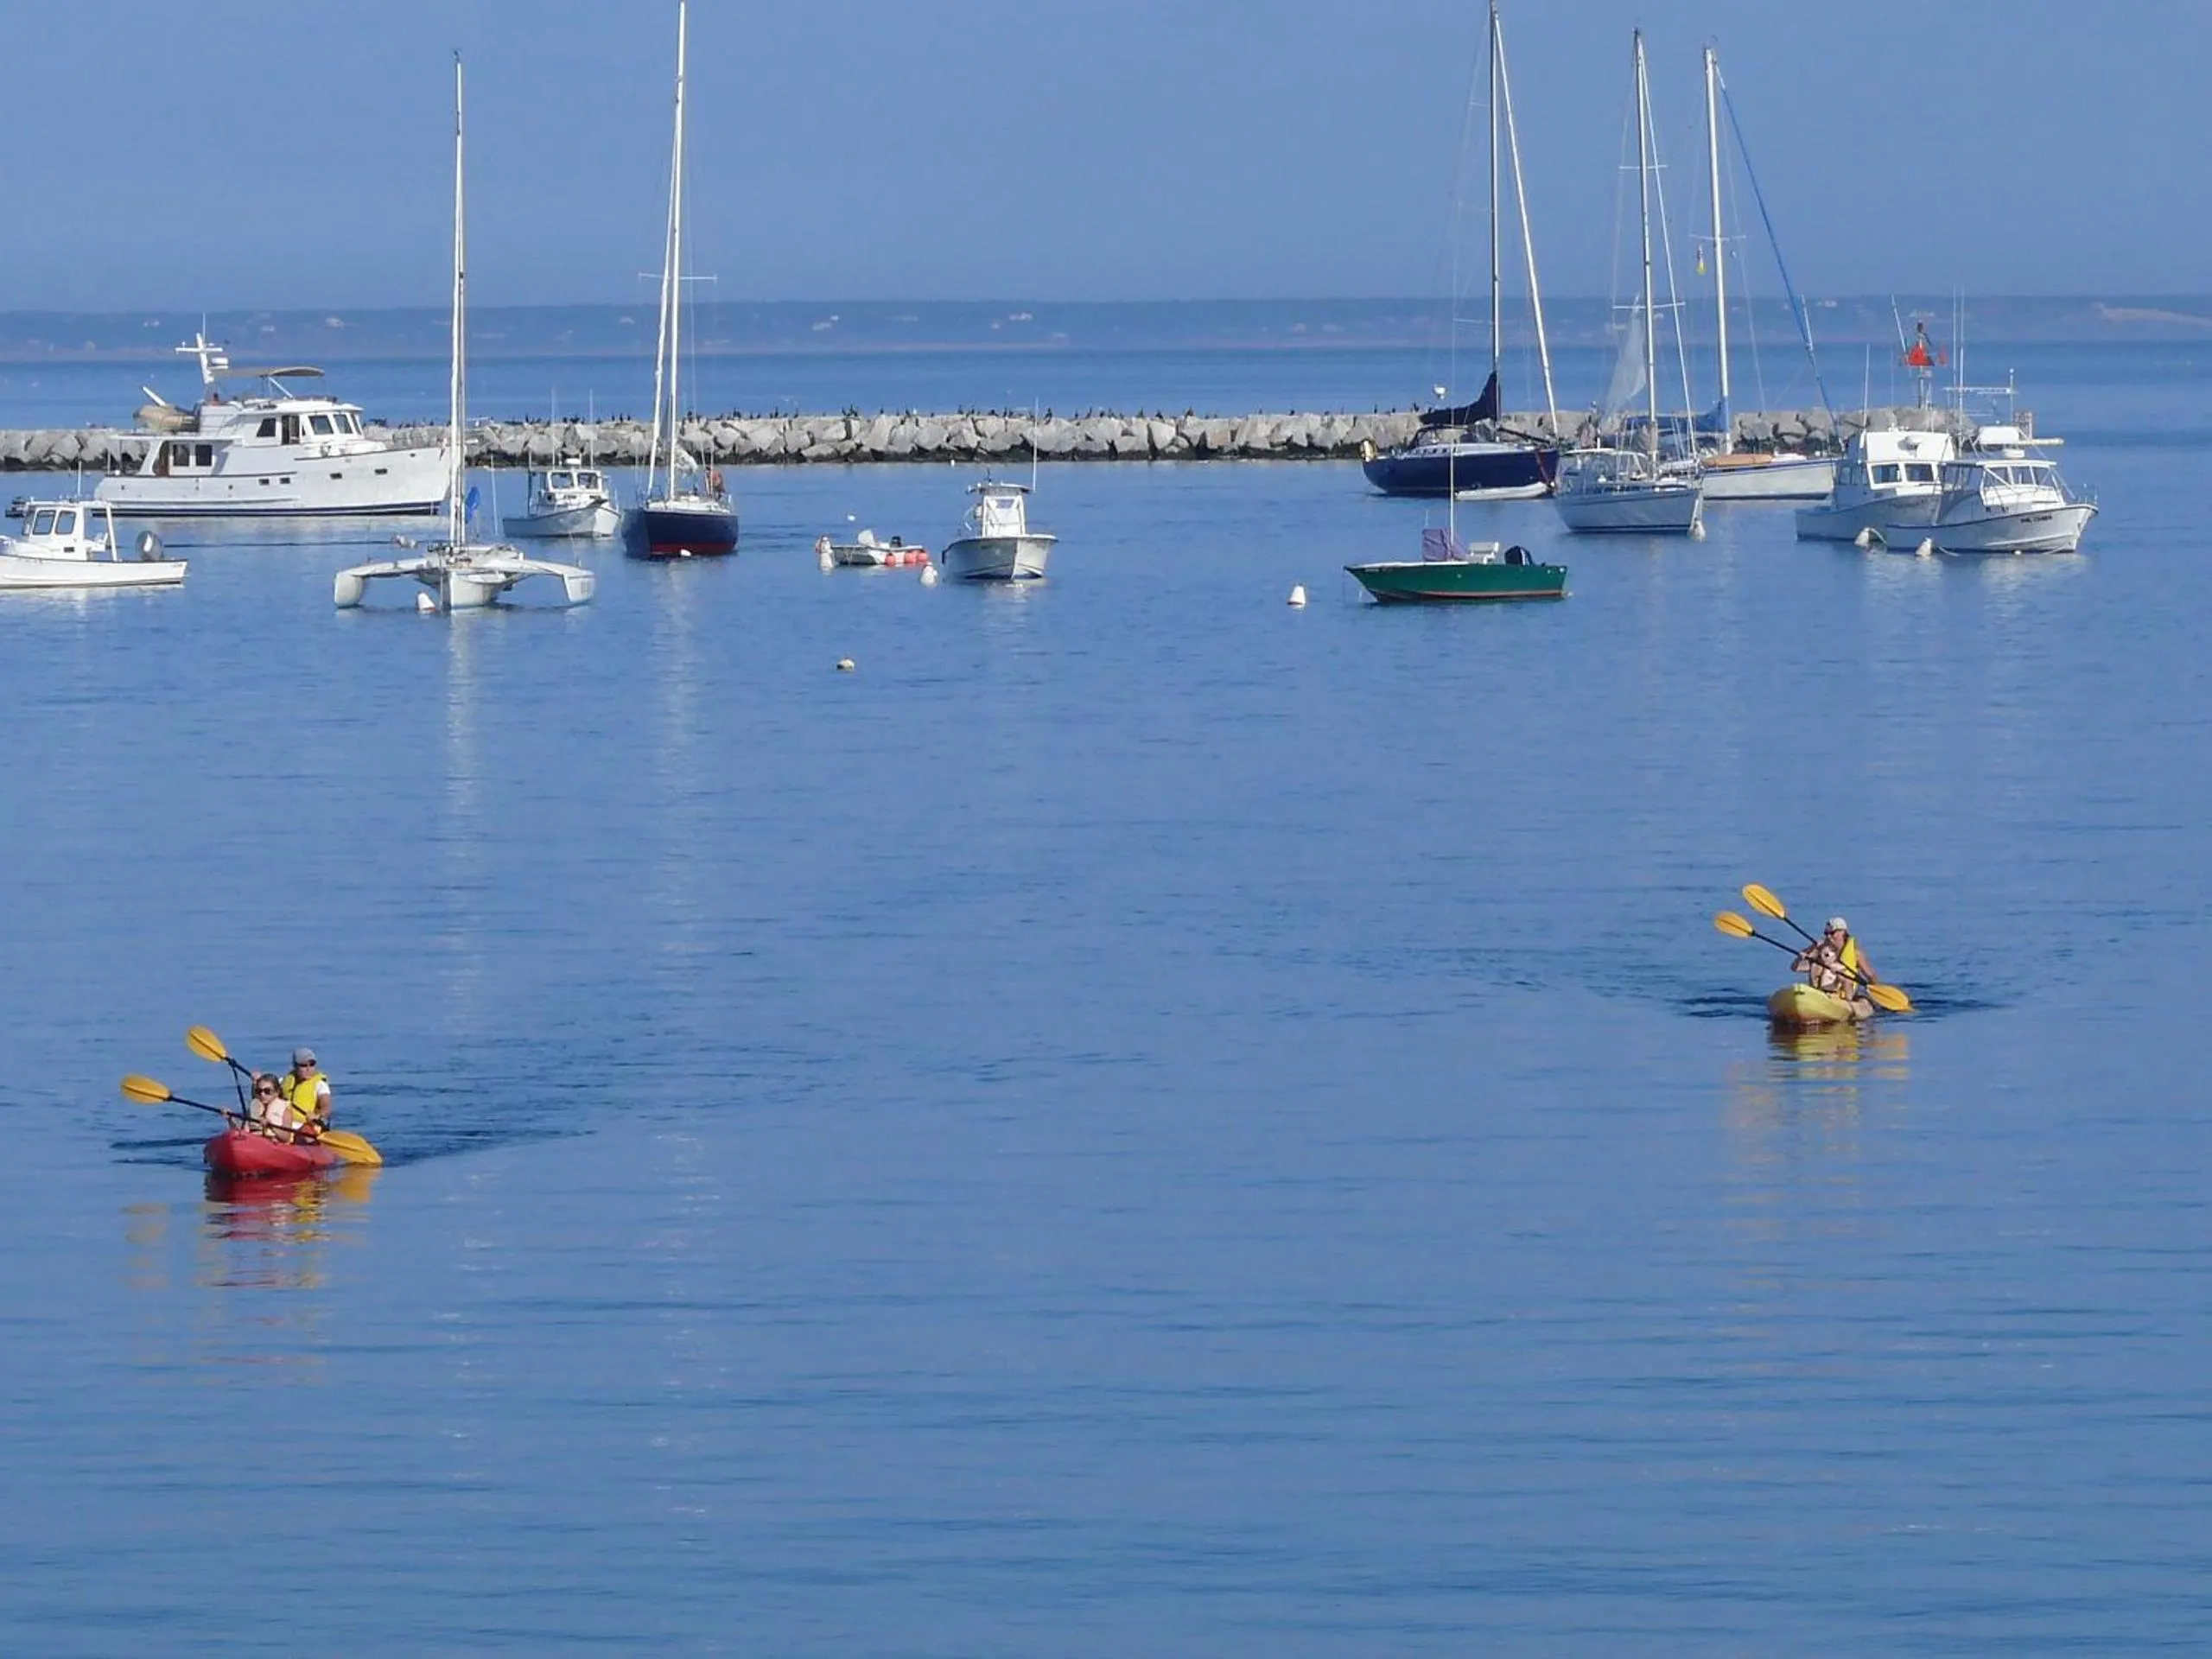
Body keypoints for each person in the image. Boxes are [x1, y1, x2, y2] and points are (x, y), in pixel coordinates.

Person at [1794, 917, 1874, 1014]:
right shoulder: (1821, 951)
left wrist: (1876, 991)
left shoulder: (1855, 953)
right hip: (1820, 995)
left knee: (1860, 996)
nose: (1828, 937)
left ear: (1842, 932)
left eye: (1832, 933)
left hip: (1844, 995)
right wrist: (1804, 954)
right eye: (1826, 934)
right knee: (1815, 966)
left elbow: (1870, 976)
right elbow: (1796, 967)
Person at [283, 1047, 333, 1137]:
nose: (308, 1068)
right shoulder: (284, 1081)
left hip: (306, 1127)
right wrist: (256, 1083)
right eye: (304, 1065)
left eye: (312, 1064)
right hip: (285, 1124)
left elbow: (326, 1108)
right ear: (295, 1066)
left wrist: (318, 1116)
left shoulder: (320, 1085)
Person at [245, 1072, 305, 1141]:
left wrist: (271, 1126)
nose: (262, 1094)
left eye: (267, 1091)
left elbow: (286, 1137)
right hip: (255, 1140)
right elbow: (245, 1130)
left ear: (276, 1092)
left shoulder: (285, 1109)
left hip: (274, 1142)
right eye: (259, 1091)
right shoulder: (254, 1106)